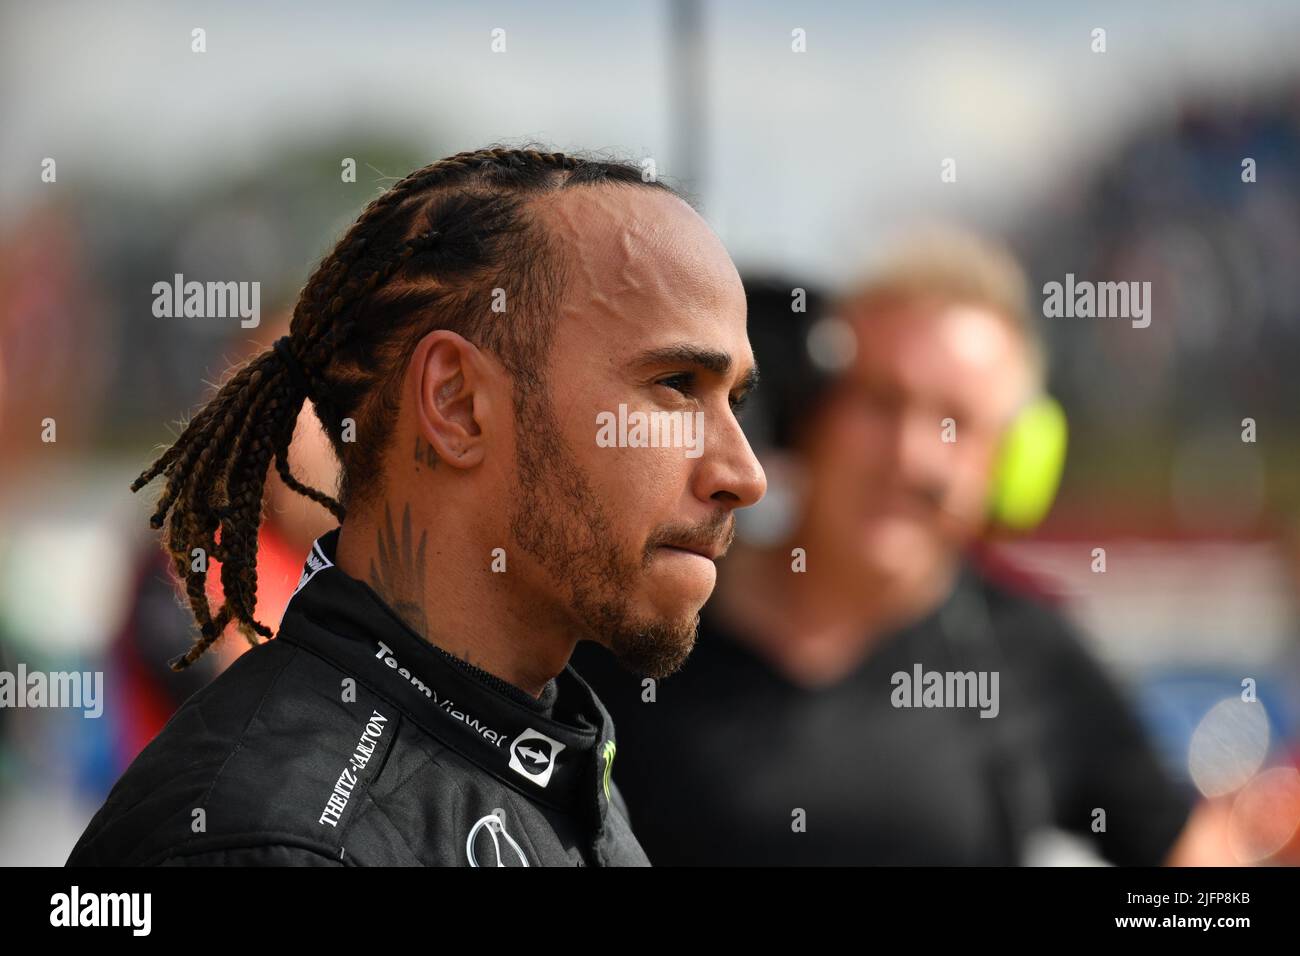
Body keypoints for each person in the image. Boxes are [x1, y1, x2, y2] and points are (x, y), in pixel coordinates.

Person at [66, 146, 765, 867]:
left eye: (736, 401)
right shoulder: (270, 841)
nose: (745, 475)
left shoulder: (562, 760)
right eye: (677, 384)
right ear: (456, 403)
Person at [574, 229, 1212, 865]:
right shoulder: (644, 625)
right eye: (881, 403)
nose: (910, 456)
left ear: (1014, 463)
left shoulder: (1034, 657)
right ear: (805, 414)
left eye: (955, 422)